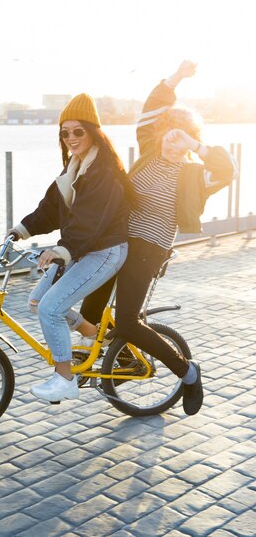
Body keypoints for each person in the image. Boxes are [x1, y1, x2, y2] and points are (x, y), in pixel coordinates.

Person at [77, 60, 238, 416]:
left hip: (149, 251)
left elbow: (228, 170)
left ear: (188, 143)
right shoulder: (148, 154)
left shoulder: (194, 177)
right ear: (161, 133)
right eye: (169, 133)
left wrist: (195, 143)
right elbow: (151, 110)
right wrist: (177, 77)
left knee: (128, 321)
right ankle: (115, 359)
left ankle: (187, 372)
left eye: (181, 138)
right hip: (117, 243)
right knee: (88, 305)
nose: (173, 141)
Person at [7, 93, 133, 403]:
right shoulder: (74, 168)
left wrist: (63, 250)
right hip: (84, 249)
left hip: (105, 252)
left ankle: (65, 378)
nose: (71, 138)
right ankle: (101, 339)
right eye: (65, 132)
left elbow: (90, 221)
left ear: (93, 132)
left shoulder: (103, 172)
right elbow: (51, 209)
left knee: (51, 308)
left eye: (78, 131)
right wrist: (21, 230)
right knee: (38, 302)